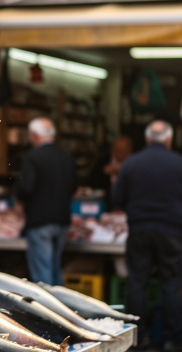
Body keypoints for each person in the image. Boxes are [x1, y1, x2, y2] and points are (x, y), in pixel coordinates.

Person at [112, 121, 182, 352]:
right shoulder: (181, 163)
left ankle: (138, 337)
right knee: (171, 284)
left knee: (137, 283)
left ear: (146, 138)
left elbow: (117, 196)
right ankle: (172, 340)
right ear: (169, 139)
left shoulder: (131, 162)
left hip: (140, 229)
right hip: (171, 230)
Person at [15, 117, 76, 287]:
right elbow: (73, 186)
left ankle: (46, 311)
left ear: (34, 135)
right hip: (62, 218)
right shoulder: (66, 157)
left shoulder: (33, 157)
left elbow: (26, 188)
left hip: (40, 220)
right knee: (55, 268)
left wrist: (19, 200)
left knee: (43, 272)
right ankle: (61, 308)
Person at [85, 135, 133, 210]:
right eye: (118, 150)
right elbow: (90, 185)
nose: (121, 154)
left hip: (128, 206)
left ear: (130, 151)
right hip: (105, 205)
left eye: (124, 151)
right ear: (112, 150)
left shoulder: (134, 164)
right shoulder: (102, 162)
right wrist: (104, 172)